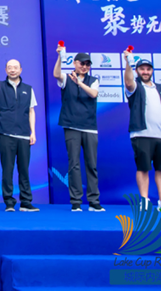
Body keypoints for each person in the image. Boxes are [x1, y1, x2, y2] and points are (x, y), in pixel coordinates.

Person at [123, 50, 161, 212]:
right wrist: (128, 62)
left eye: (148, 69)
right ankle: (145, 200)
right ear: (137, 71)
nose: (145, 72)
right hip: (141, 135)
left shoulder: (159, 89)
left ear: (152, 71)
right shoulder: (135, 87)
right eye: (142, 69)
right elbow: (128, 82)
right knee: (143, 168)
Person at [0, 51, 39, 212]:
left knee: (24, 170)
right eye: (9, 67)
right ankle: (9, 202)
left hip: (24, 135)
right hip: (6, 134)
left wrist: (33, 132)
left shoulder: (28, 89)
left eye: (15, 67)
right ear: (6, 70)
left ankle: (26, 202)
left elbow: (31, 111)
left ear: (21, 69)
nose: (12, 70)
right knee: (7, 169)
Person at [53, 47, 103, 212]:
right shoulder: (66, 78)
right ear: (74, 63)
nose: (84, 67)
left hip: (89, 127)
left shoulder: (93, 80)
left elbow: (93, 94)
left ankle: (94, 201)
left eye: (87, 64)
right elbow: (56, 74)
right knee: (74, 164)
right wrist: (60, 56)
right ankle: (76, 202)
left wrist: (79, 83)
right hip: (71, 126)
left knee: (91, 165)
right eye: (82, 63)